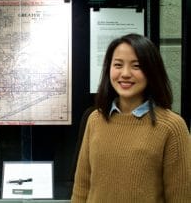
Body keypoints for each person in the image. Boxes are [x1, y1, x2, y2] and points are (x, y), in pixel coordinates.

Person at [71, 33, 191, 203]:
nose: (125, 73)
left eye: (136, 66)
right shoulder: (95, 119)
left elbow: (181, 197)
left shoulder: (172, 126)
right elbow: (81, 188)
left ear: (151, 71)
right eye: (118, 65)